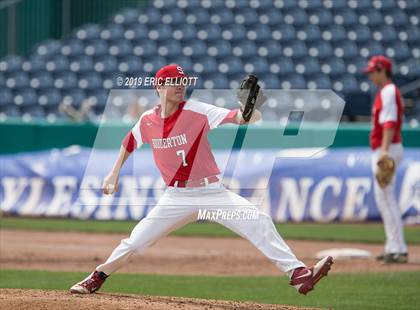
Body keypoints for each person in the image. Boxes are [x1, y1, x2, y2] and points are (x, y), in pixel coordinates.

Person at [70, 64, 333, 295]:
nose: (180, 87)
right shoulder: (147, 120)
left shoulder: (197, 110)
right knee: (136, 241)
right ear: (159, 86)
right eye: (174, 82)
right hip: (176, 197)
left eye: (183, 82)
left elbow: (241, 119)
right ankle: (97, 276)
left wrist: (250, 108)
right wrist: (113, 172)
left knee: (258, 220)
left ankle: (299, 275)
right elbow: (129, 142)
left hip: (212, 193)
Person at [364, 55, 408, 263]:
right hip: (388, 148)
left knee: (386, 199)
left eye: (373, 71)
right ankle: (394, 246)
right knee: (385, 199)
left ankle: (398, 249)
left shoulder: (389, 91)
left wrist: (383, 151)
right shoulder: (386, 91)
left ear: (382, 70)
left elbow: (389, 122)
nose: (371, 75)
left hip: (387, 148)